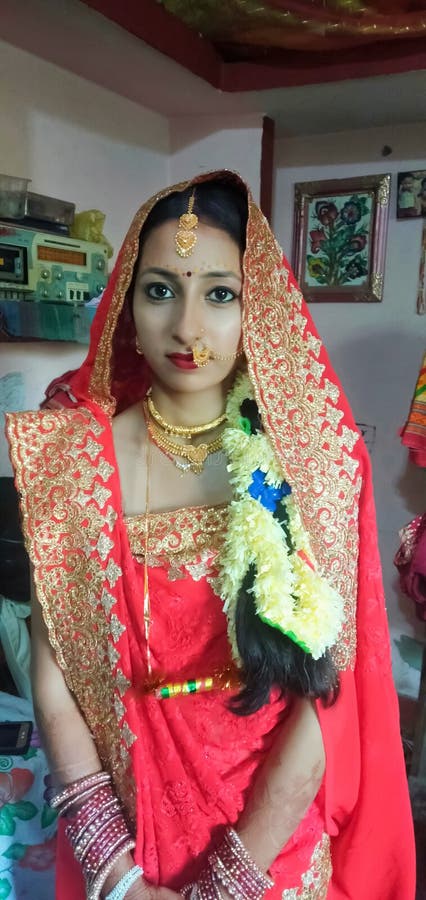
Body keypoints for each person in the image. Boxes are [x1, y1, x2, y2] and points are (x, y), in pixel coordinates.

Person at [6, 171, 415, 900]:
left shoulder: (313, 462)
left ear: (257, 307)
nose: (188, 328)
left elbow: (332, 696)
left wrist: (228, 884)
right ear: (128, 306)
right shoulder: (69, 461)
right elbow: (54, 677)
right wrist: (119, 873)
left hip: (272, 858)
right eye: (161, 289)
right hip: (131, 846)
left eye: (220, 293)